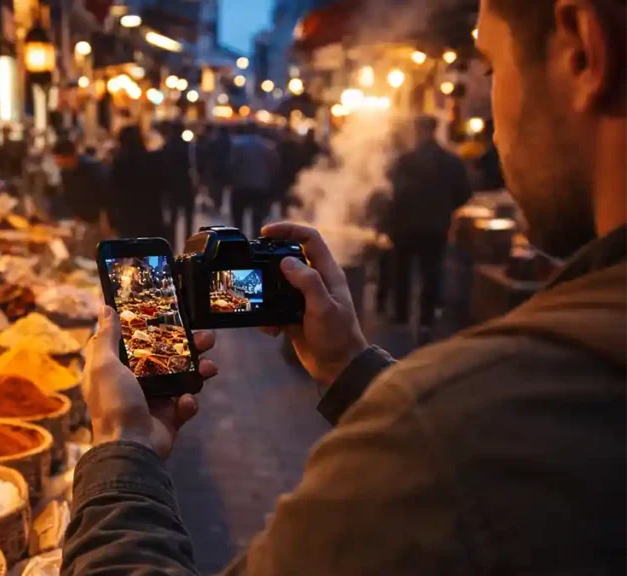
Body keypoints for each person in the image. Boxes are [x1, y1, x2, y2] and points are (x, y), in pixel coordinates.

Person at [63, 0, 627, 573]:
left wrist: (120, 448)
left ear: (582, 49)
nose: (493, 113)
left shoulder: (454, 427)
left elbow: (466, 458)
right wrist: (350, 368)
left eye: (491, 68)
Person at [388, 116, 472, 338]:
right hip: (435, 226)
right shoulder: (451, 161)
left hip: (405, 226)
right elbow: (465, 192)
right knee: (431, 272)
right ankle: (426, 320)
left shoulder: (405, 161)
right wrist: (445, 208)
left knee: (403, 271)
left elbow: (393, 193)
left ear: (417, 131)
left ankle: (401, 316)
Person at [108, 126, 165, 239]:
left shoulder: (119, 161)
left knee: (131, 252)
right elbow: (162, 185)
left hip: (127, 216)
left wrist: (113, 219)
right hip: (150, 215)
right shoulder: (151, 159)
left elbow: (113, 191)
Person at [228, 123, 279, 237]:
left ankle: (237, 244)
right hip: (260, 188)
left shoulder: (237, 145)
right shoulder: (267, 146)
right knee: (258, 221)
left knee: (237, 222)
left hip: (240, 187)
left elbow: (231, 165)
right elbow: (274, 167)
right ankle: (255, 246)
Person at [53, 139, 109, 226]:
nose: (56, 162)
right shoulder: (65, 173)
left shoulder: (92, 168)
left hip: (99, 220)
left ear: (68, 156)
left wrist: (105, 218)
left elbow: (106, 192)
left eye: (58, 158)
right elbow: (68, 196)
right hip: (80, 220)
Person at [162, 121, 197, 244]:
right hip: (185, 183)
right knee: (188, 219)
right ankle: (188, 244)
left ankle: (172, 245)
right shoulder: (187, 146)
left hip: (172, 185)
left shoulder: (167, 146)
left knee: (173, 218)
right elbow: (192, 165)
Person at [201, 126, 232, 215]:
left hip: (216, 169)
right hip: (225, 168)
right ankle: (219, 204)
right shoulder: (230, 142)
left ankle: (217, 203)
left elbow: (209, 154)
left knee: (216, 188)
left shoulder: (214, 141)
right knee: (221, 188)